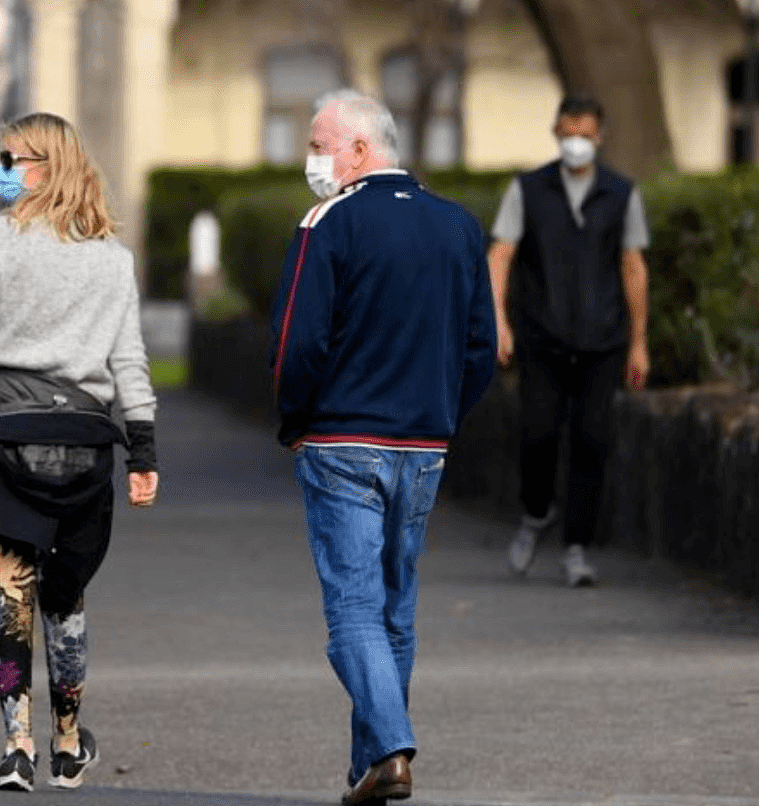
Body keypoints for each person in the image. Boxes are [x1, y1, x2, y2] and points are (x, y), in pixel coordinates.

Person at [0, 112, 159, 793]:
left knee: (8, 592)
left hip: (3, 441)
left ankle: (16, 746)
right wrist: (142, 454)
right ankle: (69, 743)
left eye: (10, 157)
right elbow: (128, 362)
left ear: (45, 165)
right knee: (66, 597)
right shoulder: (112, 257)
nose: (2, 168)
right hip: (83, 449)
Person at [270, 89, 496, 805]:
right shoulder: (459, 227)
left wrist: (294, 418)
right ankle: (373, 766)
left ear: (360, 150)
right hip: (424, 444)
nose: (311, 158)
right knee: (395, 609)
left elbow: (296, 344)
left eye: (319, 143)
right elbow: (481, 347)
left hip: (343, 438)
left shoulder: (328, 221)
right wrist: (444, 414)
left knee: (354, 612)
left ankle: (392, 747)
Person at [488, 94, 651, 587]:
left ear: (600, 136)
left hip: (603, 342)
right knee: (538, 435)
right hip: (543, 337)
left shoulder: (622, 194)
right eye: (567, 131)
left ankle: (577, 546)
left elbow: (633, 267)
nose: (575, 141)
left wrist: (639, 342)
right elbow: (500, 254)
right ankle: (535, 513)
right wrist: (499, 319)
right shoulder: (529, 190)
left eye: (585, 132)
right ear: (556, 132)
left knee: (592, 441)